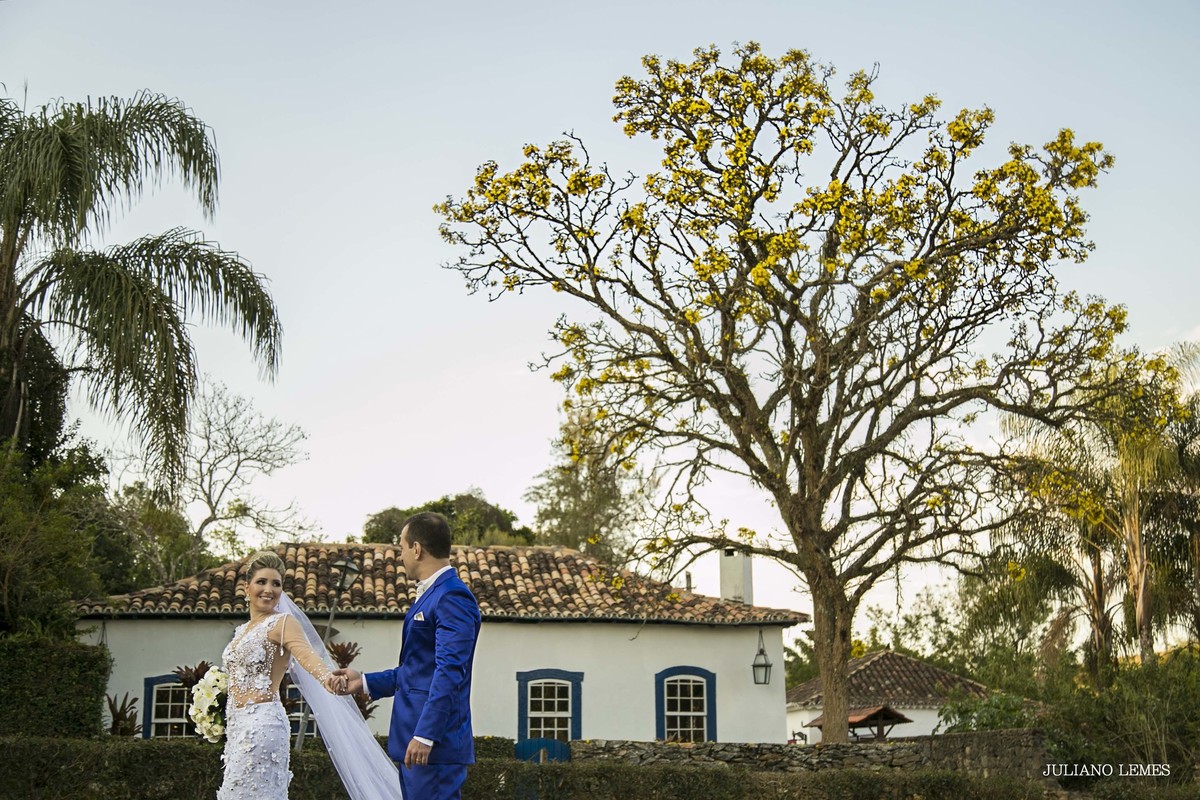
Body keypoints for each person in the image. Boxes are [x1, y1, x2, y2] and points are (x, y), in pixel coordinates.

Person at [218, 550, 402, 800]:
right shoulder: (241, 631)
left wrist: (328, 678)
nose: (268, 589)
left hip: (261, 726)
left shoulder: (282, 622)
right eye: (261, 582)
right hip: (236, 726)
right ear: (246, 587)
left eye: (276, 584)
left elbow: (306, 655)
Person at [334, 512, 482, 800]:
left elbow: (450, 670)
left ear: (416, 548)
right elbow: (416, 670)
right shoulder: (432, 595)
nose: (400, 556)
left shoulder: (452, 596)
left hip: (432, 746)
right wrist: (363, 682)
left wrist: (426, 735)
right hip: (414, 742)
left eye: (401, 547)